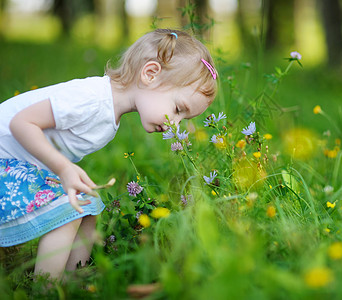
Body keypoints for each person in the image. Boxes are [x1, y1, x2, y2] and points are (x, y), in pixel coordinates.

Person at [0, 28, 217, 280]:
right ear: (150, 74)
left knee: (89, 206)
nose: (174, 125)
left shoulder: (108, 115)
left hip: (18, 164)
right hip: (5, 162)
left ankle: (76, 278)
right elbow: (20, 123)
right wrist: (63, 168)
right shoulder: (91, 99)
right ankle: (44, 287)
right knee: (69, 208)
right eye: (178, 109)